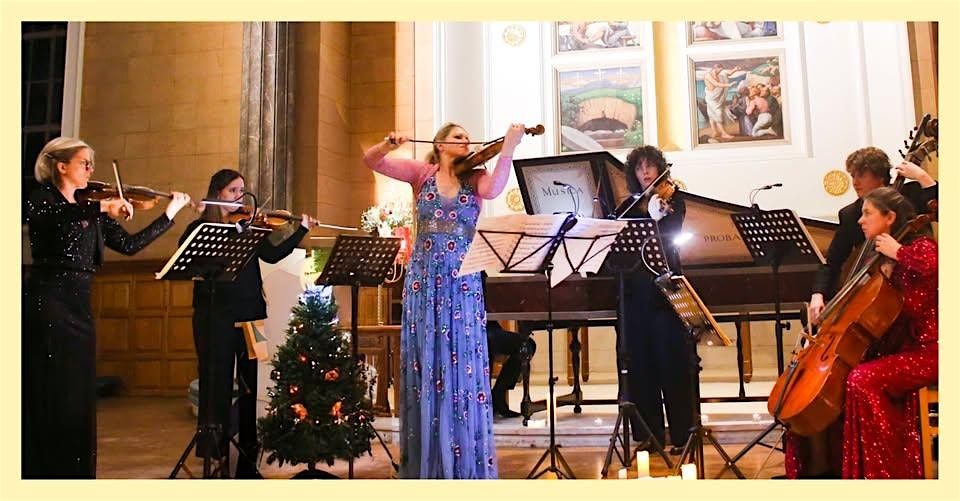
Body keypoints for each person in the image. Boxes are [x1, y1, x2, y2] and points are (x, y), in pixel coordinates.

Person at [363, 122, 526, 478]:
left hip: (463, 283)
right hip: (424, 283)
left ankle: (463, 464)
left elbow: (496, 188)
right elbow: (372, 161)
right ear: (439, 144)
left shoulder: (476, 177)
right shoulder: (422, 173)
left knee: (461, 363)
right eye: (458, 137)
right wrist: (387, 143)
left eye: (468, 138)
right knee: (428, 361)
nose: (466, 141)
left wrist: (509, 148)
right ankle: (430, 462)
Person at [23, 137, 192, 478]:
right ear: (61, 166)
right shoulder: (44, 199)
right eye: (84, 163)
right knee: (51, 391)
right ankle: (41, 473)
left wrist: (169, 215)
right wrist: (101, 208)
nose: (91, 170)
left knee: (78, 394)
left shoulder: (92, 206)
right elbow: (50, 218)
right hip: (48, 303)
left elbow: (131, 245)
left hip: (80, 305)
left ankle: (74, 474)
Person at [786, 187, 938, 479]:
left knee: (860, 380)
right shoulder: (878, 258)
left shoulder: (920, 247)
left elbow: (934, 265)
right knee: (830, 383)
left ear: (890, 217)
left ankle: (883, 475)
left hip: (926, 351)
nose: (860, 220)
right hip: (894, 350)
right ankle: (827, 470)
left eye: (867, 213)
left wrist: (900, 253)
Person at [180, 169, 313, 479]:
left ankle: (248, 460)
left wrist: (300, 229)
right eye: (232, 191)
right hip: (214, 317)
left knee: (251, 388)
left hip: (253, 316)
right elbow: (189, 262)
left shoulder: (248, 228)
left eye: (241, 190)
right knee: (217, 386)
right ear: (216, 193)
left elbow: (272, 254)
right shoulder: (200, 229)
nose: (239, 197)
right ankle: (214, 459)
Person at [808, 147, 937, 325]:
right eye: (852, 176)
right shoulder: (851, 214)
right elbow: (832, 261)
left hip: (914, 298)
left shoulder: (908, 196)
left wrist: (923, 177)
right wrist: (818, 294)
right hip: (870, 299)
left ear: (880, 177)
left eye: (861, 175)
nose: (854, 182)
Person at [619, 145, 693, 454]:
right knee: (640, 368)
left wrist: (657, 212)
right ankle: (648, 436)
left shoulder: (674, 200)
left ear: (660, 167)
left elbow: (672, 231)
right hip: (635, 298)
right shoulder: (626, 206)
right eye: (639, 168)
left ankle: (682, 435)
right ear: (633, 174)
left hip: (665, 297)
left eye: (650, 166)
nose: (646, 172)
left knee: (672, 364)